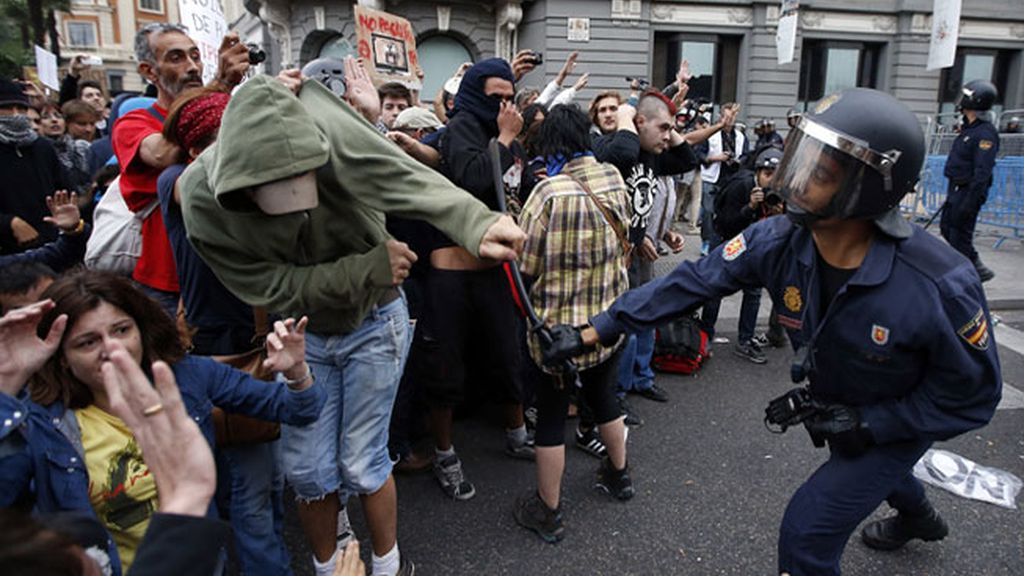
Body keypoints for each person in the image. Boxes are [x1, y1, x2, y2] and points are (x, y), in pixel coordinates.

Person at [542, 88, 1001, 576]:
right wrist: (594, 330)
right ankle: (919, 515)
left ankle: (906, 504)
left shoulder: (940, 285)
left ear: (869, 189)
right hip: (838, 403)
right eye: (801, 162)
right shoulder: (779, 239)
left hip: (898, 416)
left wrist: (874, 424)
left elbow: (972, 396)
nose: (796, 183)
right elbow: (691, 283)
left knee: (808, 530)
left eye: (819, 174)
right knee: (858, 457)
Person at [179, 59, 526, 576]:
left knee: (364, 462)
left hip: (373, 321)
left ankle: (386, 567)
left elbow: (393, 170)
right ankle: (330, 568)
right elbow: (269, 286)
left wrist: (474, 221)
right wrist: (366, 267)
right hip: (303, 334)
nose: (298, 206)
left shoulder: (327, 126)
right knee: (309, 472)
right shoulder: (199, 199)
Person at [0, 270, 325, 575]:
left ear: (142, 329)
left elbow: (300, 409)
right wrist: (7, 386)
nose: (111, 349)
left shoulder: (187, 376)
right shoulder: (41, 422)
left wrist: (296, 374)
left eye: (121, 330)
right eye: (88, 342)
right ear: (62, 357)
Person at [513, 104, 633, 543]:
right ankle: (619, 476)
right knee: (605, 398)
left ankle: (548, 510)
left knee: (549, 418)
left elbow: (524, 267)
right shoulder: (613, 178)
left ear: (550, 146)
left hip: (558, 336)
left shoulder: (547, 195)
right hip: (605, 323)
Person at [429, 57, 538, 502]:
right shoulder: (459, 131)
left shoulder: (500, 134)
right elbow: (473, 178)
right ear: (476, 95)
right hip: (452, 274)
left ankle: (515, 432)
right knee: (446, 367)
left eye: (510, 98)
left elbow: (513, 186)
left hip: (495, 269)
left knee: (507, 354)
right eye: (496, 98)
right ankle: (443, 452)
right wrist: (509, 137)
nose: (504, 106)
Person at [112, 23, 250, 316]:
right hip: (167, 287)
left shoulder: (226, 110)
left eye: (195, 56)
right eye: (176, 58)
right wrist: (220, 86)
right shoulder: (134, 122)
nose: (192, 67)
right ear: (149, 72)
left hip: (228, 275)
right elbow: (164, 153)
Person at [711, 146, 787, 362]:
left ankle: (745, 341)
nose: (771, 181)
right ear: (758, 173)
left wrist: (780, 215)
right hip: (727, 238)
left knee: (753, 292)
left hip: (755, 247)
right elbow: (726, 224)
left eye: (776, 175)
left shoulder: (781, 193)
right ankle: (706, 332)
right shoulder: (742, 186)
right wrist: (750, 207)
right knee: (716, 287)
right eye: (767, 174)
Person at [940, 79, 1000, 283]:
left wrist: (970, 201)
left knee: (960, 235)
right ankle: (969, 268)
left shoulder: (985, 133)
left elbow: (982, 171)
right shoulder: (969, 129)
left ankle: (972, 273)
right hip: (956, 188)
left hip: (968, 191)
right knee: (947, 228)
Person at [0, 78, 68, 254]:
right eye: (6, 108)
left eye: (21, 108)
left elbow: (64, 189)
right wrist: (9, 223)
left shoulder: (42, 147)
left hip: (51, 247)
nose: (16, 115)